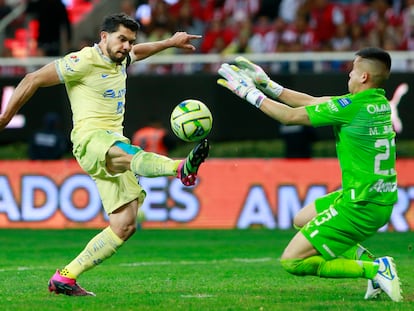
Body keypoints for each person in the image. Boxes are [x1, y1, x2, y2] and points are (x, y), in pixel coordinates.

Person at [0, 13, 209, 296]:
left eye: (130, 41)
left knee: (124, 225)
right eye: (121, 39)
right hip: (90, 140)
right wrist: (4, 119)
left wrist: (171, 42)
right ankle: (179, 169)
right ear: (103, 37)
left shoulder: (122, 58)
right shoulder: (83, 61)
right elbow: (31, 79)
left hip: (112, 142)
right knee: (130, 152)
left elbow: (140, 52)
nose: (126, 46)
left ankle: (65, 277)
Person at [216, 48, 402, 302]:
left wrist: (249, 93)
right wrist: (269, 85)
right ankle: (373, 266)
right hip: (374, 197)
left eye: (353, 70)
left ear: (364, 77)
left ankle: (375, 269)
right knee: (302, 218)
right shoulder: (376, 103)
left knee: (292, 261)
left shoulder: (352, 107)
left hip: (360, 205)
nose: (349, 74)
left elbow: (290, 116)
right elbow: (312, 102)